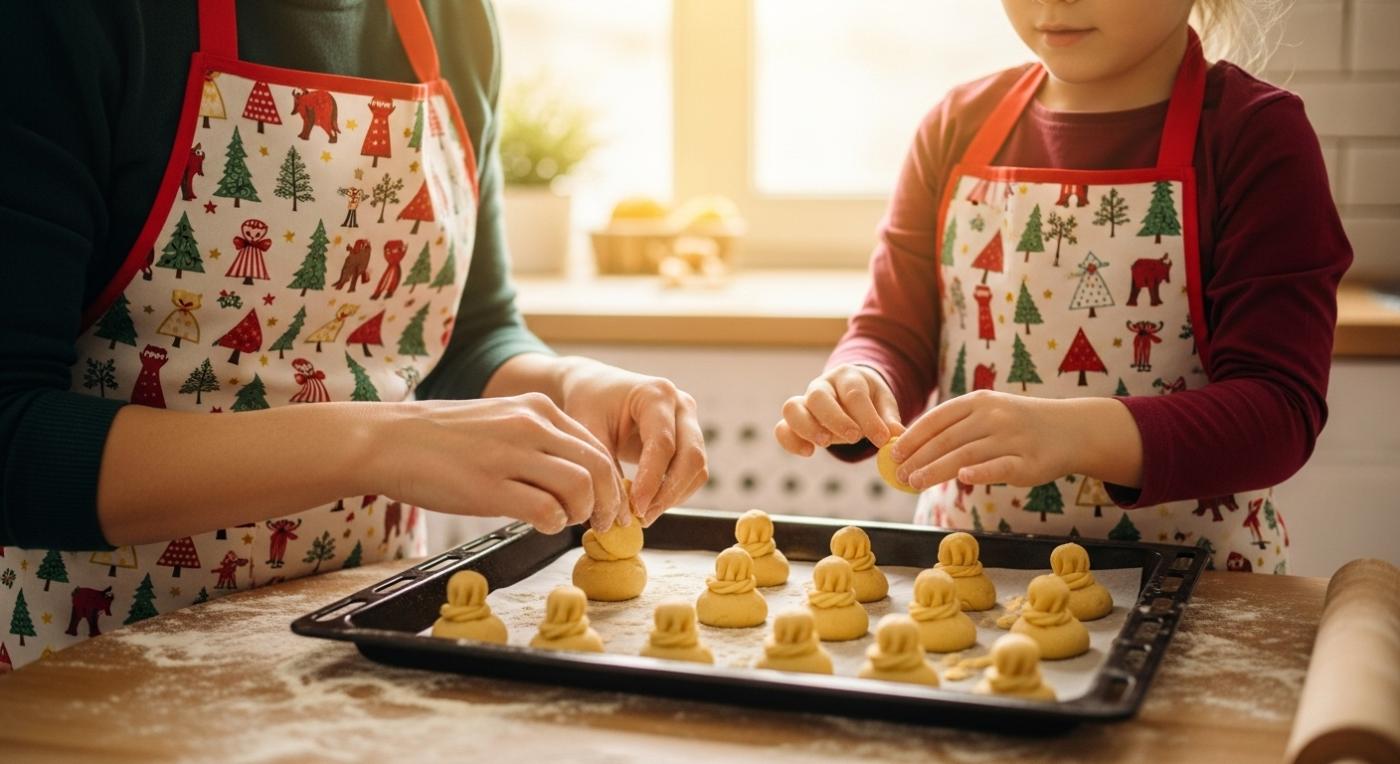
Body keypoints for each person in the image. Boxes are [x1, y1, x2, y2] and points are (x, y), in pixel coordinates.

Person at [0, 0, 706, 669]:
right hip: (88, 672)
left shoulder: (451, 17)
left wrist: (571, 389)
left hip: (357, 657)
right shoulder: (63, 19)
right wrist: (380, 442)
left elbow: (464, 336)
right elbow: (12, 435)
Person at [776, 0, 1349, 572]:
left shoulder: (1255, 134)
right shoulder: (956, 125)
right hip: (963, 572)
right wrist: (863, 381)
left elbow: (1277, 412)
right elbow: (892, 333)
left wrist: (1071, 433)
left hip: (1195, 586)